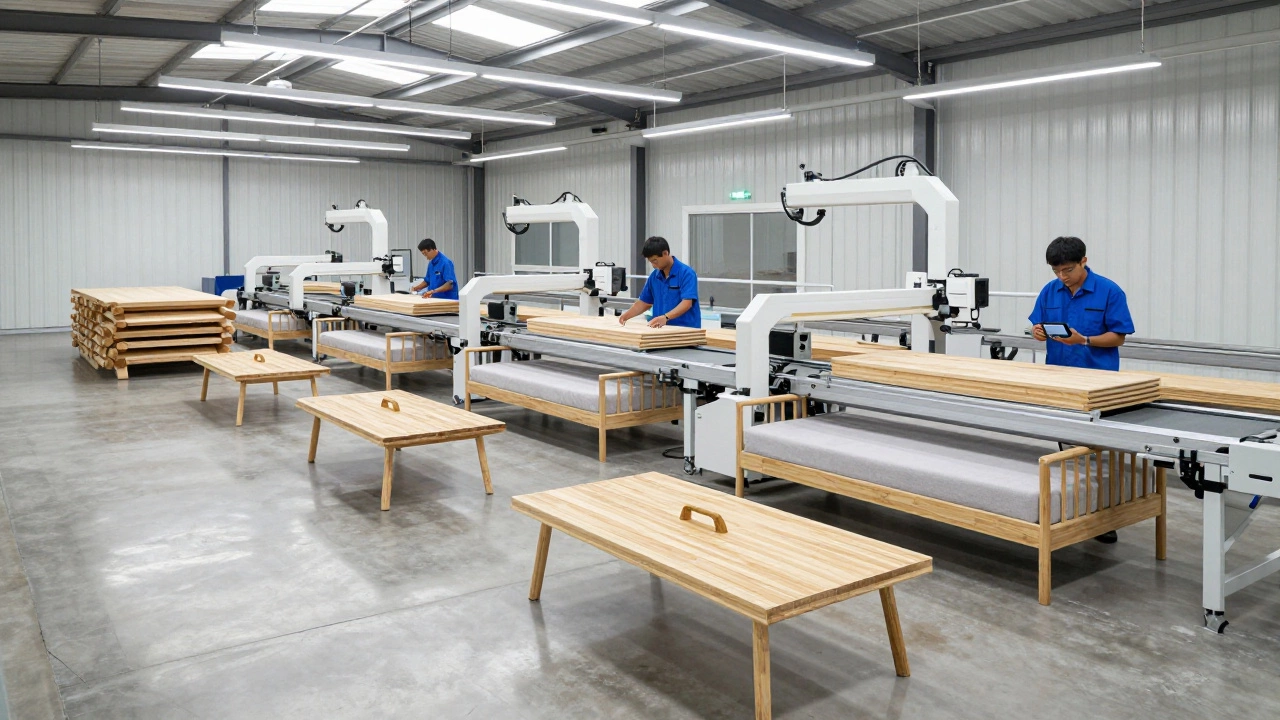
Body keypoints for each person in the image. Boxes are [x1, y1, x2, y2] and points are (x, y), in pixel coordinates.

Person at [1029, 235, 1135, 544]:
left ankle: (1105, 519)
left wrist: (1085, 340)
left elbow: (1118, 337)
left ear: (1084, 261)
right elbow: (1039, 326)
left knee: (1099, 453)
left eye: (1068, 269)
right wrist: (1038, 332)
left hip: (1097, 382)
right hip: (1061, 379)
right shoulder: (1050, 292)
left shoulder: (1109, 291)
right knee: (1069, 450)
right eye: (1056, 271)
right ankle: (1076, 510)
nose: (1062, 276)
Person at [618, 236, 701, 329]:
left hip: (685, 331)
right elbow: (644, 303)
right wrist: (626, 316)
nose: (653, 265)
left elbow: (687, 303)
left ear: (665, 253)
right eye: (651, 262)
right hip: (660, 332)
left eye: (655, 261)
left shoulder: (687, 274)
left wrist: (666, 317)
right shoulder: (654, 277)